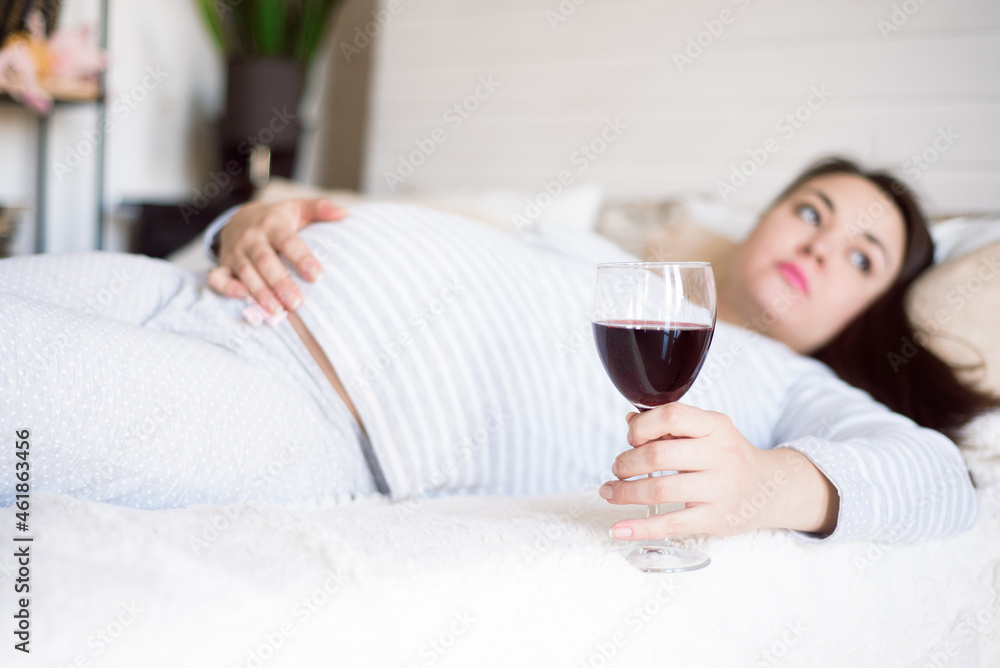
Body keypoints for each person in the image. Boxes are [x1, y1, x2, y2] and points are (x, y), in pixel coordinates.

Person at [1, 157, 993, 546]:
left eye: (860, 255)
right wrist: (250, 226)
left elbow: (942, 479)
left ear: (867, 314)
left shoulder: (789, 384)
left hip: (307, 412)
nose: (820, 244)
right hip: (200, 290)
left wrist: (766, 486)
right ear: (764, 217)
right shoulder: (592, 256)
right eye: (812, 210)